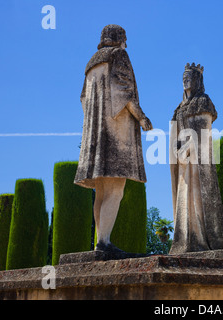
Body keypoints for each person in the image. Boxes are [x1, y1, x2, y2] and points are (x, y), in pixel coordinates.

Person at [74, 24, 152, 252]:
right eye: (125, 40)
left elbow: (83, 100)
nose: (126, 44)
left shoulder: (91, 63)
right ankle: (104, 242)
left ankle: (101, 240)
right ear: (120, 39)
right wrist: (142, 117)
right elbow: (124, 91)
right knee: (116, 190)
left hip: (95, 135)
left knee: (101, 191)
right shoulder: (119, 54)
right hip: (116, 134)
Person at [169, 63, 223, 254]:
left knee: (198, 199)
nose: (185, 80)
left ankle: (198, 239)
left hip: (198, 161)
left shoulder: (203, 101)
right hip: (183, 161)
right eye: (184, 78)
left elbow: (204, 130)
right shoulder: (178, 109)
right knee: (184, 199)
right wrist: (178, 151)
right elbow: (176, 134)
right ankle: (185, 240)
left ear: (197, 80)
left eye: (189, 77)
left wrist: (189, 149)